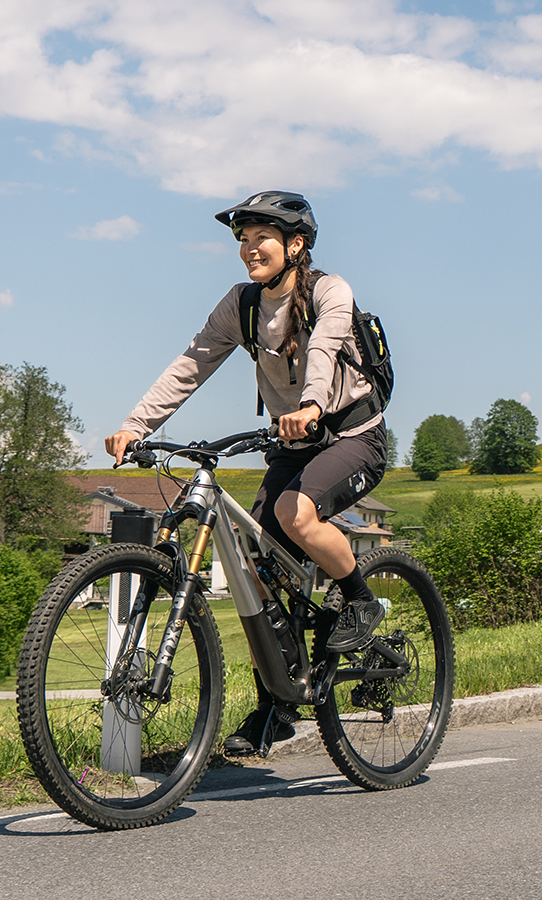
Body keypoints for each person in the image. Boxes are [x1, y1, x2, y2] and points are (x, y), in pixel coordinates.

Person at [102, 190, 388, 754]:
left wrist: (309, 408)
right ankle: (276, 708)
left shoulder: (331, 291)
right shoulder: (243, 304)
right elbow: (193, 361)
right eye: (242, 239)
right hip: (291, 440)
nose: (248, 248)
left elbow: (327, 349)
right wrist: (136, 424)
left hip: (351, 434)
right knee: (253, 567)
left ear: (296, 244)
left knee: (293, 513)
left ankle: (359, 599)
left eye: (261, 237)